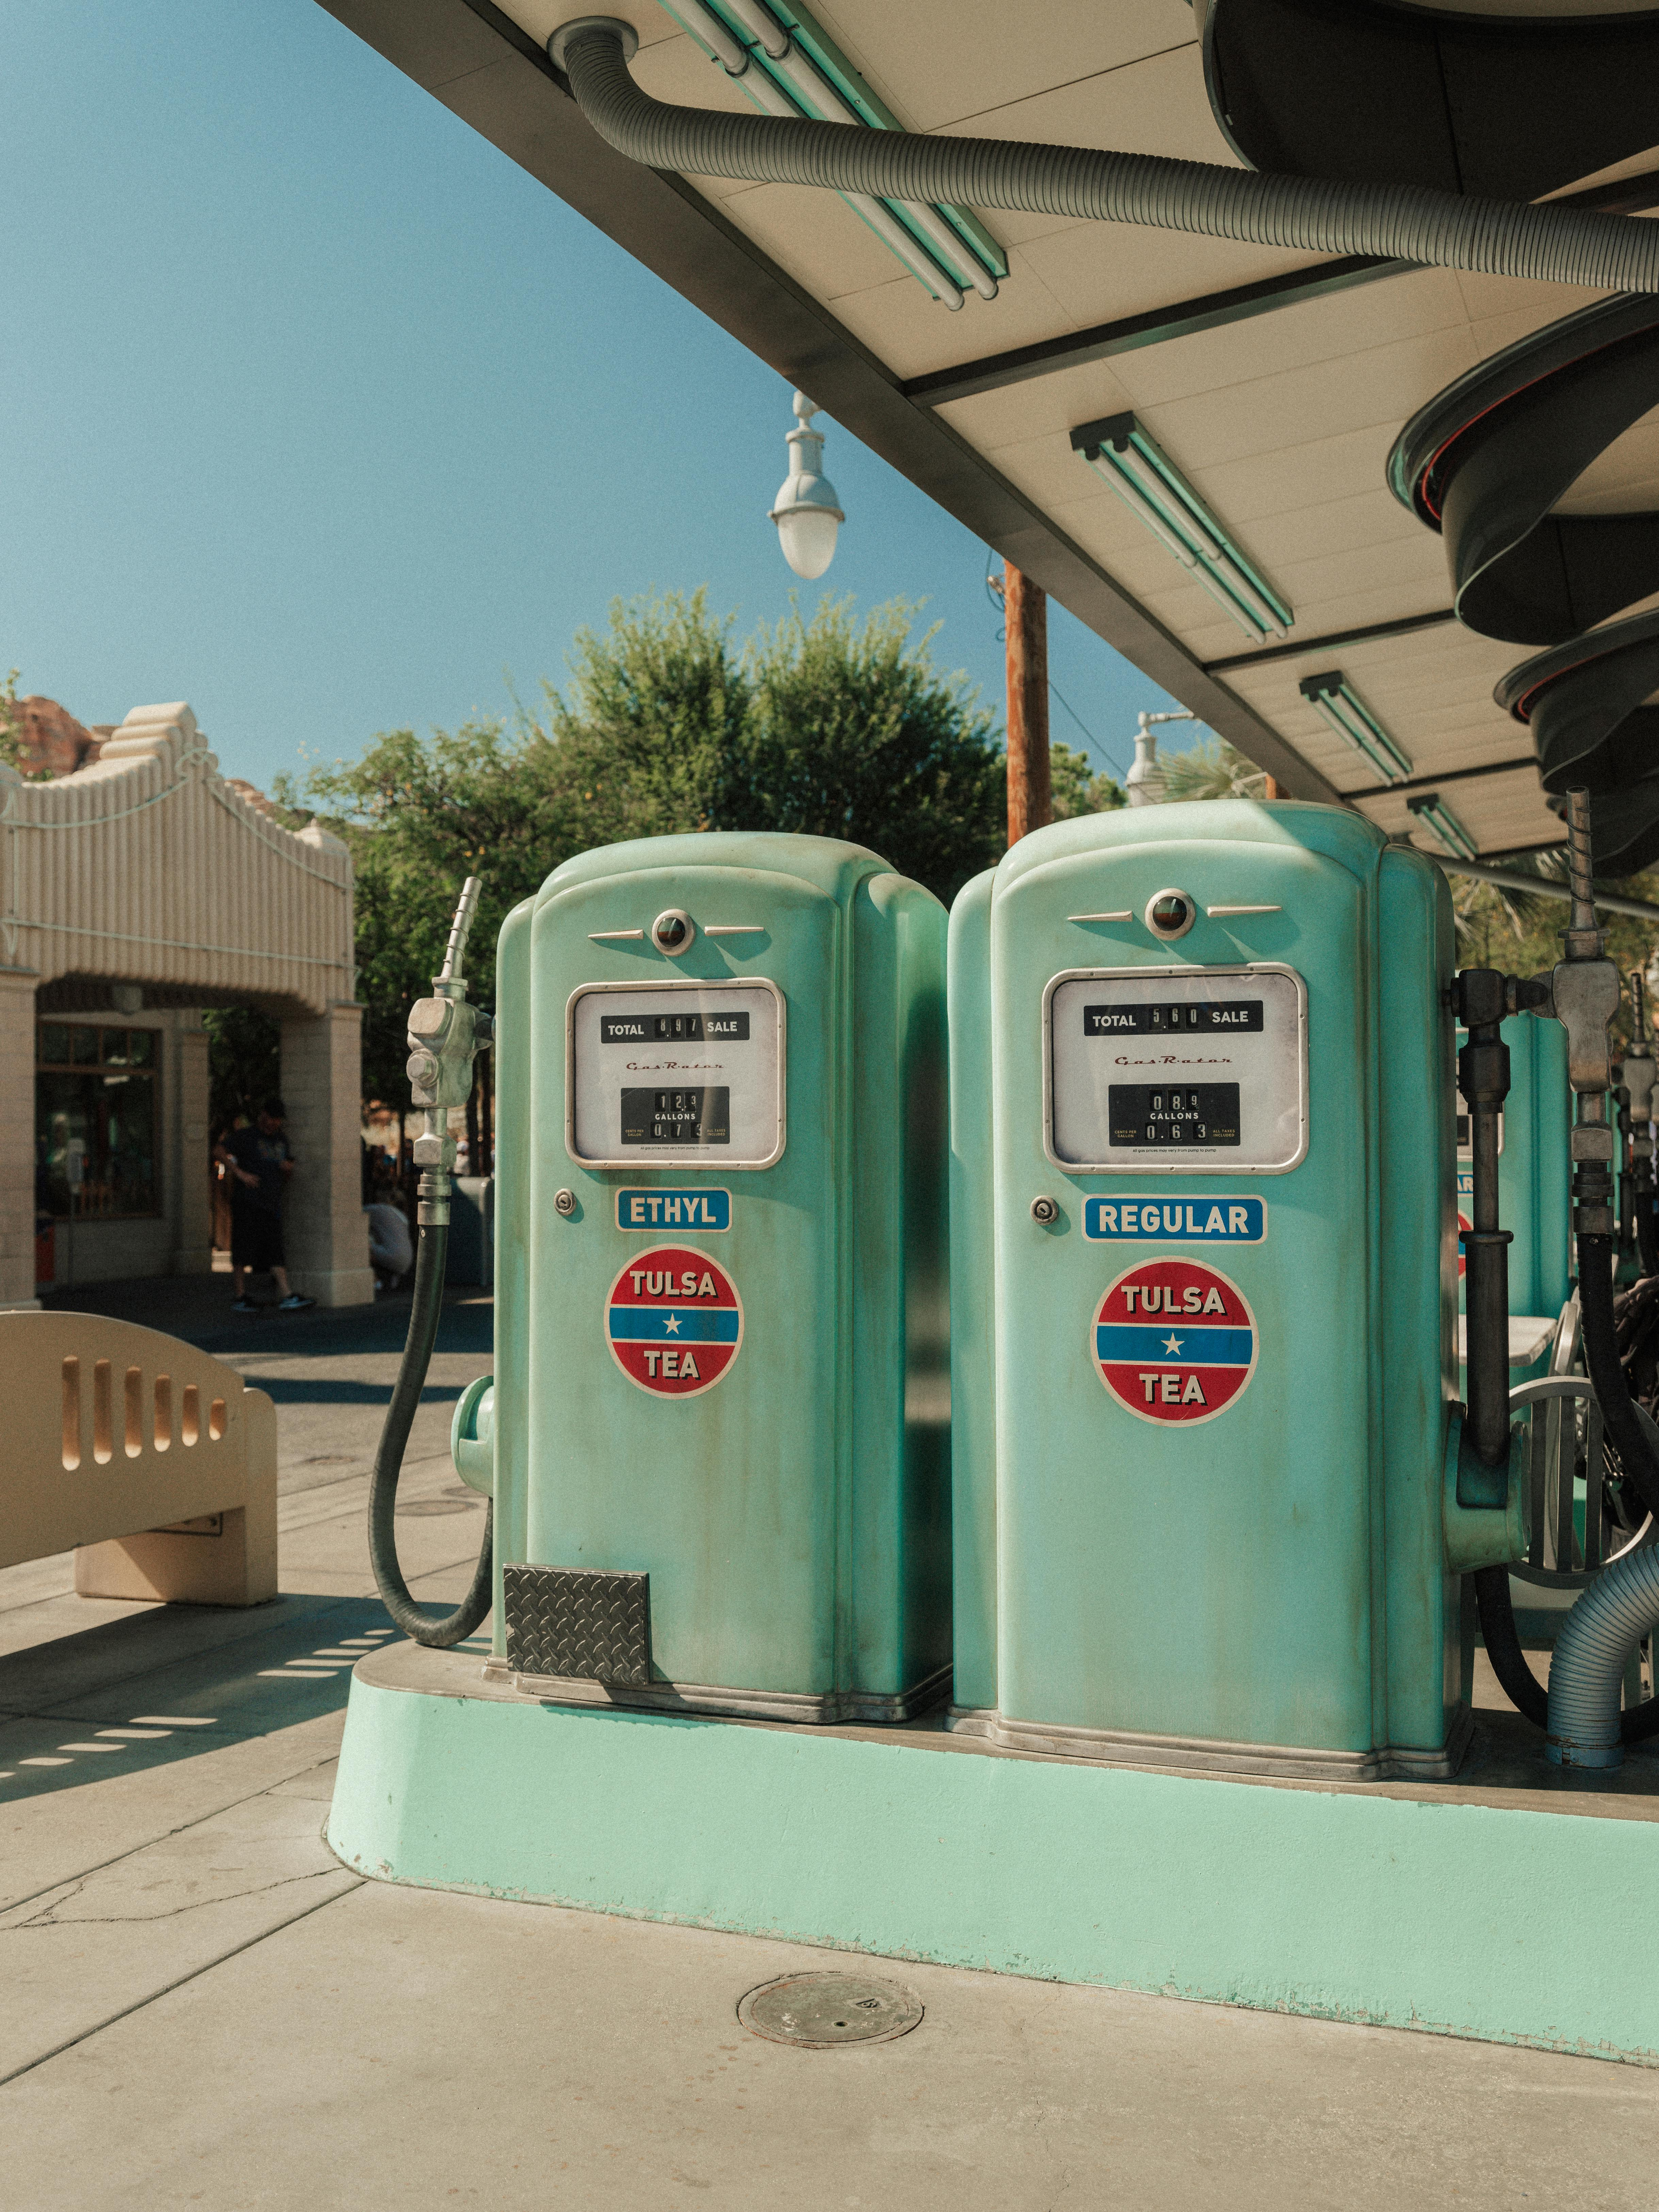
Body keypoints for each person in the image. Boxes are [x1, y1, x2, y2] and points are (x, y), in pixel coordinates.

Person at [214, 1098, 315, 1314]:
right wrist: (241, 1174)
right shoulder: (247, 1136)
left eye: (278, 1120)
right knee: (243, 1247)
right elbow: (219, 1151)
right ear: (263, 1115)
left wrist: (287, 1170)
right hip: (248, 1201)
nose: (274, 1123)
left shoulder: (281, 1140)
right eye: (271, 1118)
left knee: (274, 1247)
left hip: (270, 1202)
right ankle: (240, 1295)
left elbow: (286, 1173)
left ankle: (287, 1294)